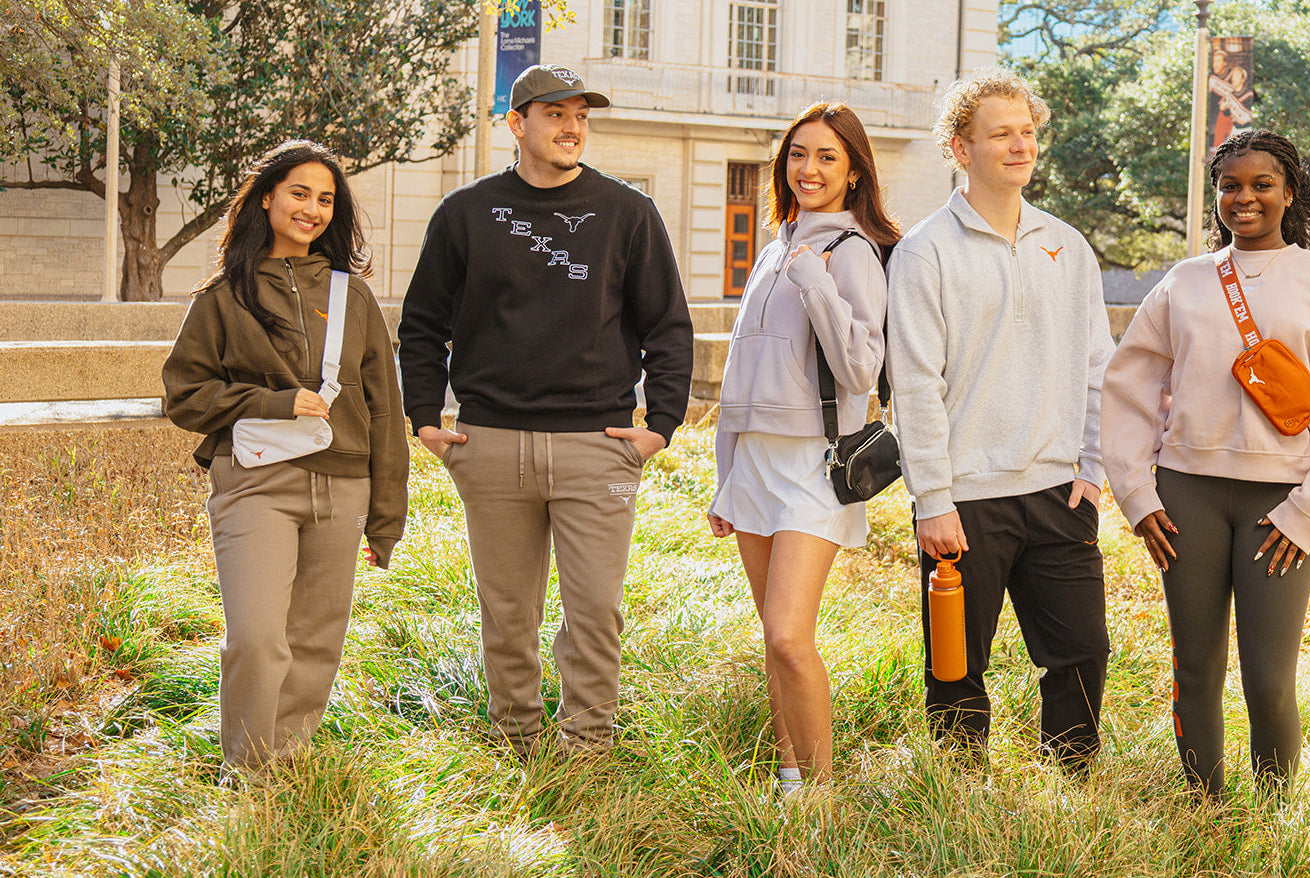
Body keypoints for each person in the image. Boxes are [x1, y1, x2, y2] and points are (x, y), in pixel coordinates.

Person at [398, 64, 693, 757]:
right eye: (555, 114)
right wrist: (424, 418)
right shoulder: (465, 214)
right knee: (507, 614)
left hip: (600, 448)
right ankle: (517, 743)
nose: (571, 127)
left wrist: (659, 428)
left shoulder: (628, 213)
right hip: (491, 445)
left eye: (581, 116)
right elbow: (421, 325)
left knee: (595, 611)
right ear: (516, 123)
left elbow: (668, 328)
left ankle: (587, 747)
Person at [1101, 129, 1310, 798]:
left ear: (1289, 192)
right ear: (1217, 194)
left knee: (1270, 679)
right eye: (1231, 185)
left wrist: (1309, 513)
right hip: (1187, 495)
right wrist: (1139, 496)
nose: (1244, 197)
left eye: (1261, 184)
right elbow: (1127, 388)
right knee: (1195, 667)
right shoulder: (1184, 282)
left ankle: (1277, 818)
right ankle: (1206, 809)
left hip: (1280, 507)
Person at [887, 69, 1114, 769]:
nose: (1020, 147)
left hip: (1057, 491)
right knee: (956, 664)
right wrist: (932, 497)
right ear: (960, 148)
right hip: (965, 498)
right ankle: (959, 792)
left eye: (1027, 133)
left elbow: (1099, 366)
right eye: (1001, 135)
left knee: (1081, 654)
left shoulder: (1067, 245)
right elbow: (915, 384)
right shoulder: (925, 251)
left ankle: (1071, 785)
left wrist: (1095, 469)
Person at [162, 139, 408, 778]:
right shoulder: (223, 296)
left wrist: (386, 517)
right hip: (255, 484)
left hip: (345, 485)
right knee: (256, 637)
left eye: (326, 199)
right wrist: (273, 402)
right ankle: (243, 771)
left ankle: (284, 765)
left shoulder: (353, 297)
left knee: (317, 640)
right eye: (299, 193)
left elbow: (385, 411)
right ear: (266, 196)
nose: (313, 209)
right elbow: (185, 395)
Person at [706, 101, 899, 790]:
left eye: (826, 157)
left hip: (816, 465)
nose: (808, 168)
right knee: (772, 640)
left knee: (789, 635)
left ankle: (821, 796)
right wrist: (725, 478)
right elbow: (739, 376)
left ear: (853, 174)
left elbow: (859, 371)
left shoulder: (852, 254)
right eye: (798, 154)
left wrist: (816, 283)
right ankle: (790, 780)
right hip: (754, 463)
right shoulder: (771, 248)